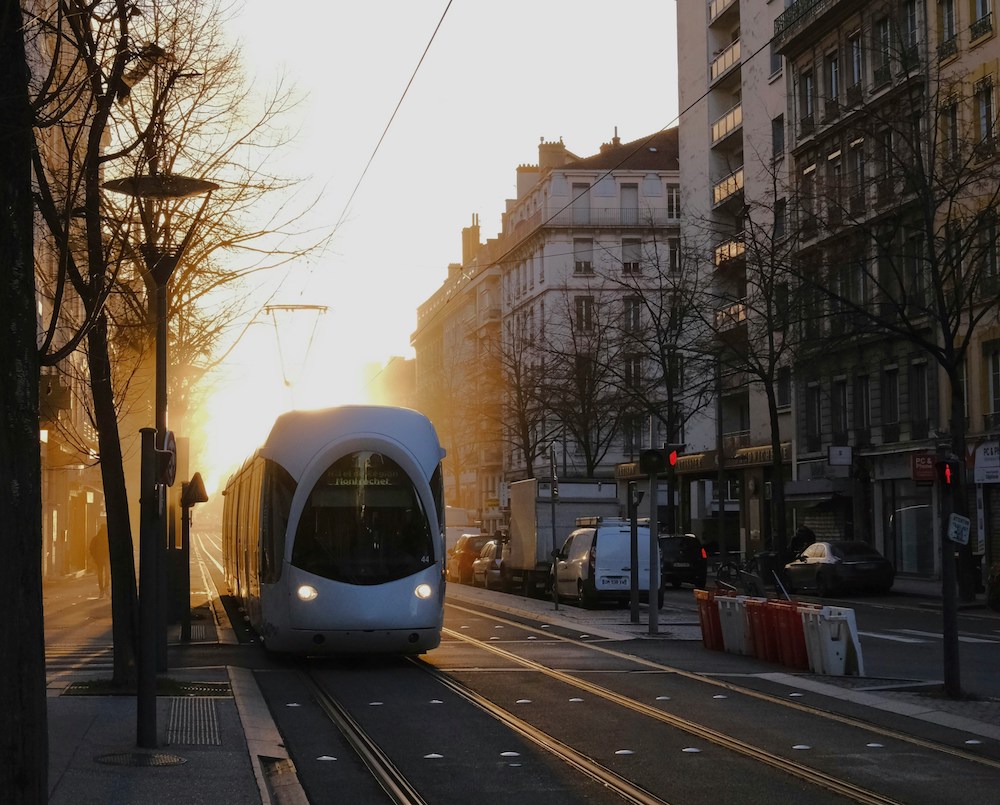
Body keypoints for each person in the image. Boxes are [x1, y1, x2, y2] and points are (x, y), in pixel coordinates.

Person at [89, 524, 110, 598]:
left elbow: (91, 548)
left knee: (100, 574)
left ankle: (102, 589)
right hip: (106, 558)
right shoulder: (108, 538)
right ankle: (106, 587)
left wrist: (95, 557)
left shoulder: (96, 538)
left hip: (99, 559)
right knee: (107, 573)